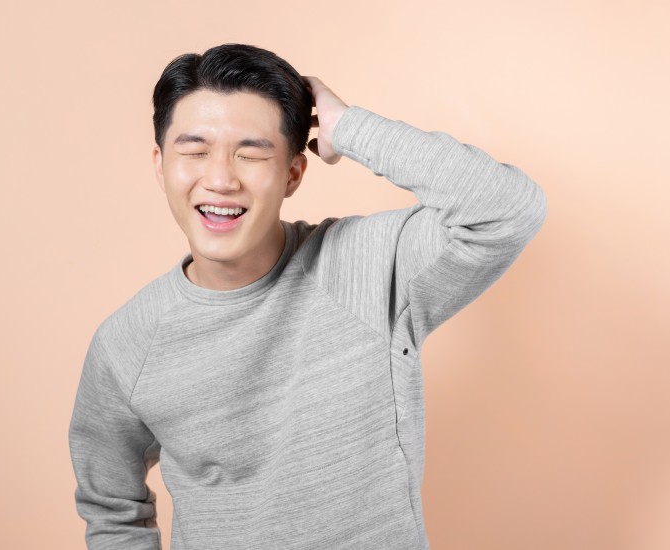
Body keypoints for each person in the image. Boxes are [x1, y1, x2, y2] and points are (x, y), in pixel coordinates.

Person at [68, 43, 547, 549]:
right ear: (161, 164)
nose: (220, 179)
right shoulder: (127, 344)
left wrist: (351, 128)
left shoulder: (367, 266)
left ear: (293, 174)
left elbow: (508, 209)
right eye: (195, 151)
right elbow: (112, 509)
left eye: (251, 154)